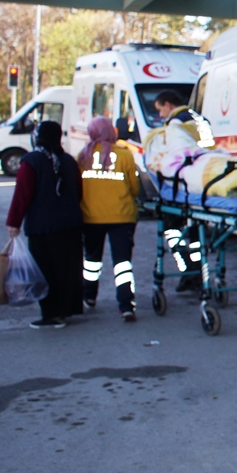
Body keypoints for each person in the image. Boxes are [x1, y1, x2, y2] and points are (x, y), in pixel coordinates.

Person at [6, 121, 84, 328]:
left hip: (43, 227)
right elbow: (78, 191)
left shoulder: (31, 161)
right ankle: (66, 310)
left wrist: (14, 222)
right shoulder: (68, 160)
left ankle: (52, 314)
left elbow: (22, 194)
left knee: (46, 271)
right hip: (71, 225)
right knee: (67, 270)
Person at [77, 116, 141, 321]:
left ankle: (89, 297)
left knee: (91, 261)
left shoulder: (83, 156)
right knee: (123, 263)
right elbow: (134, 188)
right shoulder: (124, 155)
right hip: (122, 216)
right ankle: (126, 305)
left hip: (91, 217)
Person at [153, 89, 212, 291]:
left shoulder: (176, 124)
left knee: (171, 227)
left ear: (168, 105)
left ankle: (188, 269)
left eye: (160, 110)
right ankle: (199, 271)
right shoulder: (200, 119)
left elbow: (173, 156)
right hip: (204, 180)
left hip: (183, 184)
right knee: (196, 232)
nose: (160, 115)